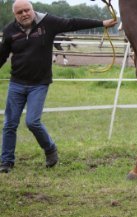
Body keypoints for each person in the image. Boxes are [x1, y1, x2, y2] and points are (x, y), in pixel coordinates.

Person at [0, 0, 117, 173]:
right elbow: (2, 56)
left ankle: (50, 149)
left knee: (32, 122)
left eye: (27, 10)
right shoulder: (10, 31)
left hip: (39, 84)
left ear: (32, 10)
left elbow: (72, 23)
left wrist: (101, 23)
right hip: (17, 83)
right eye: (20, 12)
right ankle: (6, 162)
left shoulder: (48, 22)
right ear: (15, 15)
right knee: (10, 124)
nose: (24, 14)